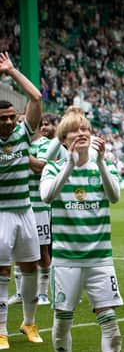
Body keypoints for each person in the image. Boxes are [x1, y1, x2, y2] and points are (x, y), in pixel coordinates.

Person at [40, 110, 124, 352]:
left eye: (86, 128)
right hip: (66, 259)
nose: (82, 133)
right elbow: (47, 196)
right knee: (62, 320)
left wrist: (100, 163)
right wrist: (68, 165)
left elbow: (114, 196)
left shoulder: (106, 165)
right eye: (75, 130)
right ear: (64, 140)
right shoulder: (52, 168)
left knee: (109, 318)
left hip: (100, 257)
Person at [0, 52, 44, 350]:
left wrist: (12, 72)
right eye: (3, 119)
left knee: (31, 267)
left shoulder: (23, 135)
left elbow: (37, 97)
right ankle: (1, 330)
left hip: (25, 210)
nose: (9, 123)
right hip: (1, 213)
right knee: (2, 271)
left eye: (12, 117)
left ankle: (28, 322)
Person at [9, 113, 58, 306]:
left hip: (39, 206)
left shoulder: (45, 144)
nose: (17, 126)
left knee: (42, 249)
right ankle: (21, 293)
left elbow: (41, 167)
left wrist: (21, 153)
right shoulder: (15, 144)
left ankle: (43, 293)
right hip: (17, 204)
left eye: (21, 122)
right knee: (16, 251)